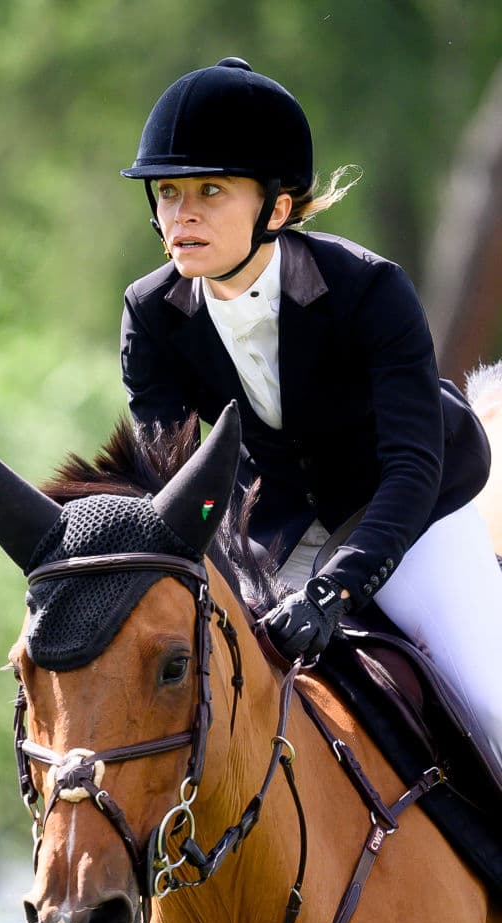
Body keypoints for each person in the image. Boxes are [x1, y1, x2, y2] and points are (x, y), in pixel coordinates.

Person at [119, 56, 502, 784]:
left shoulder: (369, 290)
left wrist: (338, 589)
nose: (181, 214)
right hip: (282, 526)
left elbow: (412, 469)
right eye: (167, 192)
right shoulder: (150, 312)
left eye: (210, 191)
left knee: (495, 710)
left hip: (412, 511)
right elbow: (174, 482)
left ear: (280, 208)